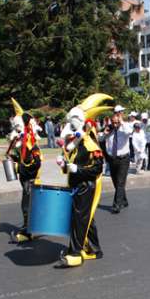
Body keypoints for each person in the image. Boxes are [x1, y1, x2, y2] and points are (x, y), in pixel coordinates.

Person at [56, 99, 106, 267]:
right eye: (71, 122)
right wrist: (64, 165)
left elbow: (97, 169)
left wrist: (78, 169)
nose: (72, 125)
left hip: (86, 186)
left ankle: (76, 253)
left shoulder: (90, 144)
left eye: (75, 122)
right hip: (76, 185)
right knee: (85, 218)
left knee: (80, 218)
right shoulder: (76, 145)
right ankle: (93, 249)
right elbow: (71, 164)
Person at [7, 98, 42, 243]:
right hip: (25, 178)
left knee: (27, 205)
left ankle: (29, 232)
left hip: (31, 179)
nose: (16, 129)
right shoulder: (22, 143)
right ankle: (31, 229)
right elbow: (23, 159)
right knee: (27, 205)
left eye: (18, 126)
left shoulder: (31, 143)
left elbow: (36, 164)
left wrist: (19, 167)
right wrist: (13, 158)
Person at [104, 106, 133, 214]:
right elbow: (101, 138)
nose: (114, 124)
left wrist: (121, 121)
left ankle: (116, 205)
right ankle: (124, 200)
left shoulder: (125, 127)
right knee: (116, 182)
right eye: (113, 122)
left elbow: (130, 131)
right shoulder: (110, 129)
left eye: (116, 122)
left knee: (120, 182)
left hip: (123, 159)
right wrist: (105, 133)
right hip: (112, 159)